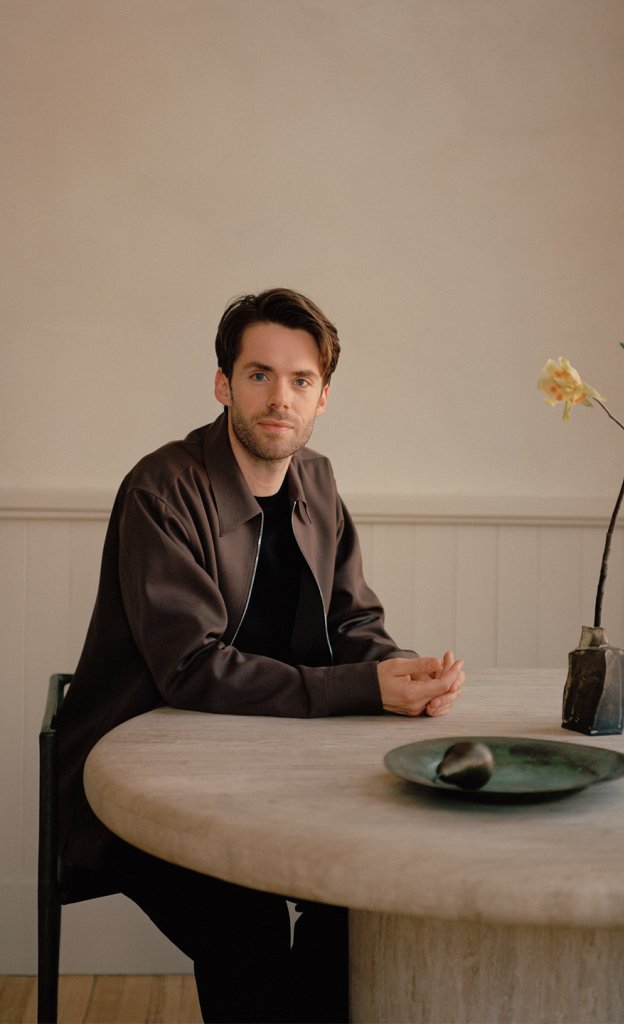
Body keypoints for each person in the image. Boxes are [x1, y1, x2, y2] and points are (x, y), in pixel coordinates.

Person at [55, 287, 465, 1023]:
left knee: (360, 897)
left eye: (301, 380)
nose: (281, 397)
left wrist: (402, 673)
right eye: (259, 375)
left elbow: (354, 620)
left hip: (270, 769)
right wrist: (362, 689)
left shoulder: (318, 480)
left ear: (323, 397)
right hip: (139, 780)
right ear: (223, 385)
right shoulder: (161, 488)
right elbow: (191, 668)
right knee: (245, 922)